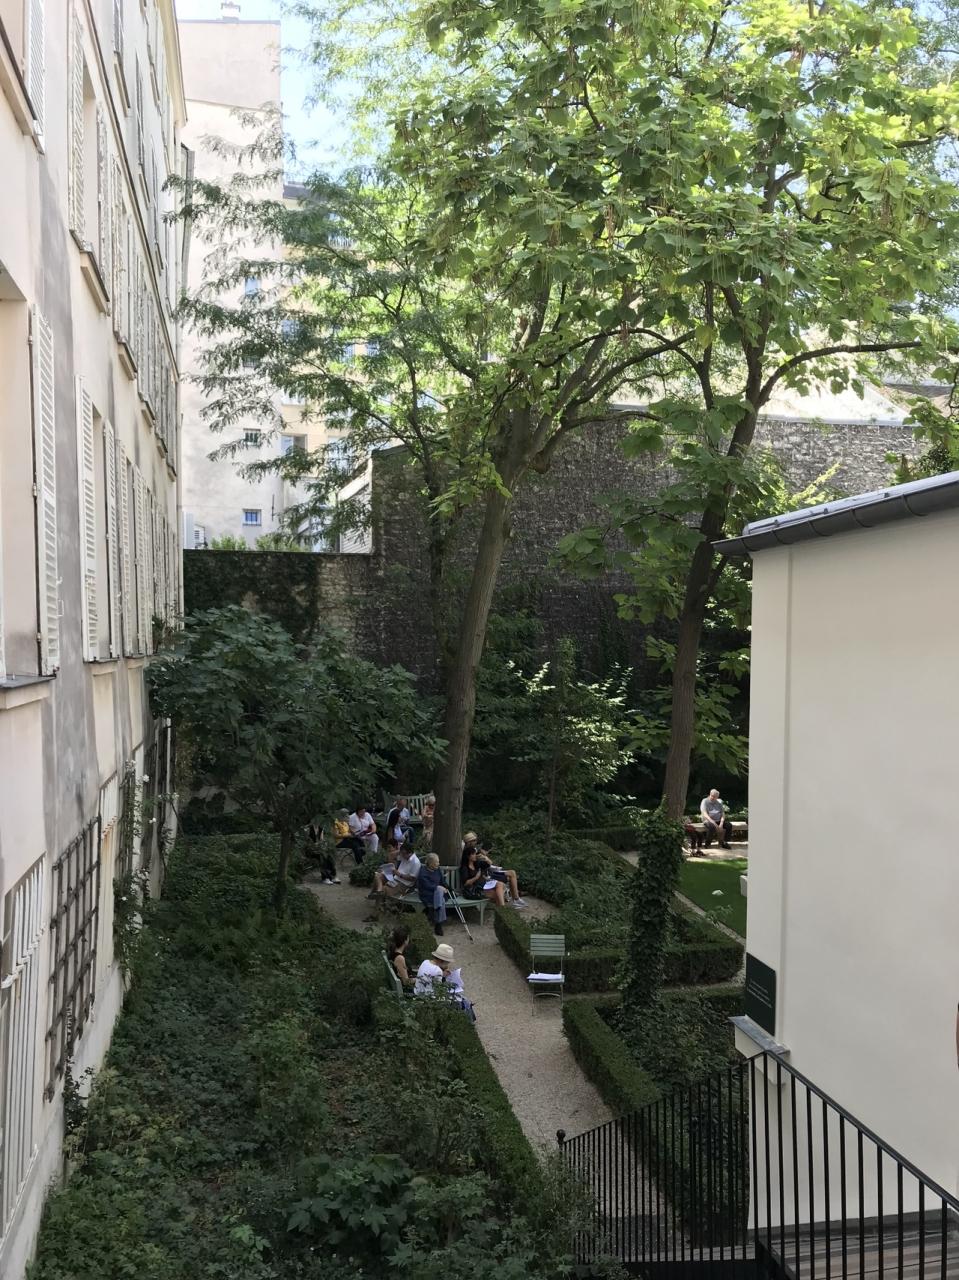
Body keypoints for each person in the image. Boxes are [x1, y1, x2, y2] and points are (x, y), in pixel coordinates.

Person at [460, 842, 527, 910]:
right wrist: (476, 877)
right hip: (476, 889)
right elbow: (466, 883)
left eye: (475, 853)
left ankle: (503, 909)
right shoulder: (465, 868)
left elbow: (489, 863)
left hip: (484, 885)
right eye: (473, 854)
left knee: (500, 885)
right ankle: (503, 909)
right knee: (499, 894)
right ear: (468, 856)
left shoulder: (476, 864)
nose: (475, 855)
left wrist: (485, 858)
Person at [417, 852, 448, 935]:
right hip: (427, 894)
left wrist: (446, 887)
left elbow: (442, 881)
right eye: (436, 862)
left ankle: (437, 910)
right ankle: (438, 923)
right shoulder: (423, 872)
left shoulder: (437, 869)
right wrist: (439, 887)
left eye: (438, 862)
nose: (438, 864)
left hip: (438, 894)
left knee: (439, 892)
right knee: (440, 895)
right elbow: (427, 886)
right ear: (430, 863)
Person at [303, 820, 339, 884]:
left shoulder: (321, 828)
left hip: (319, 850)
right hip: (310, 850)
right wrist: (314, 845)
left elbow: (322, 840)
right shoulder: (307, 829)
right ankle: (325, 878)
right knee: (322, 856)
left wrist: (322, 845)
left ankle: (333, 876)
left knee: (329, 856)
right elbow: (306, 842)